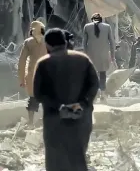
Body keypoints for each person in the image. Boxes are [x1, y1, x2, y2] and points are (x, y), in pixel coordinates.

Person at [33, 28, 99, 171]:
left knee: (55, 160)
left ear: (48, 45)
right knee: (78, 157)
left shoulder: (43, 63)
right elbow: (94, 85)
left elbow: (38, 93)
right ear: (65, 41)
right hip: (80, 117)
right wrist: (81, 104)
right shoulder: (83, 59)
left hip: (54, 120)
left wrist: (60, 107)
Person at [18, 20, 47, 127]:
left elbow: (22, 61)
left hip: (32, 75)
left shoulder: (28, 42)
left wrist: (21, 79)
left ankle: (30, 123)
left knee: (33, 98)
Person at [83, 13, 115, 101]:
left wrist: (85, 55)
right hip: (103, 55)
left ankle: (94, 94)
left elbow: (84, 43)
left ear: (92, 19)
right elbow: (112, 42)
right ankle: (102, 94)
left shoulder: (87, 27)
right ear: (101, 19)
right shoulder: (107, 27)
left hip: (91, 55)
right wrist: (112, 55)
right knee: (102, 74)